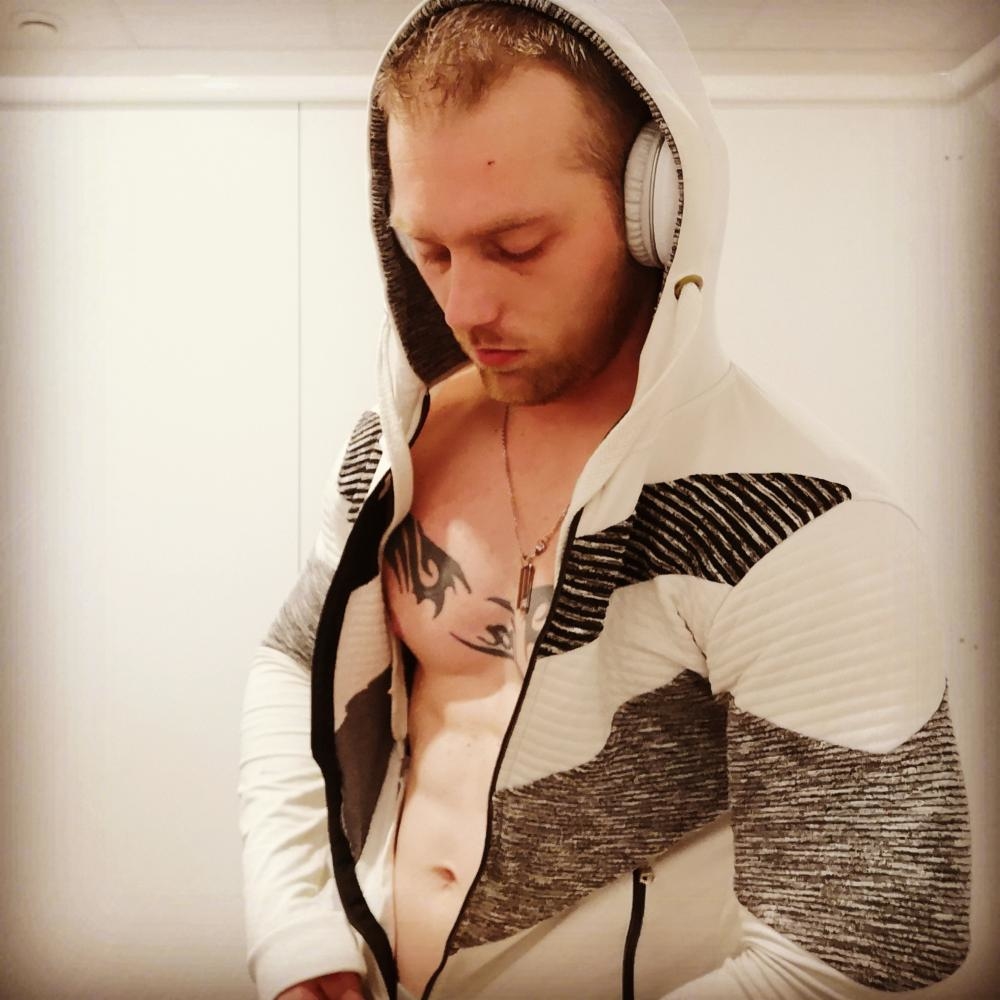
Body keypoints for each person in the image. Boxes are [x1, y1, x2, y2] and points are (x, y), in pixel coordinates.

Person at [239, 2, 972, 999]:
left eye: (516, 245)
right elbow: (297, 663)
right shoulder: (398, 446)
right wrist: (298, 928)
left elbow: (865, 943)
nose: (463, 307)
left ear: (657, 209)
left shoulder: (805, 530)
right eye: (431, 250)